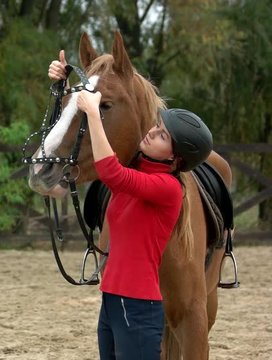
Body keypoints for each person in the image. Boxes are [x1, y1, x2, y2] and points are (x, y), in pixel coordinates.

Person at [48, 52, 212, 359]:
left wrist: (94, 114)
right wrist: (62, 86)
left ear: (174, 159)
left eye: (162, 135)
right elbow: (81, 159)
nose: (152, 130)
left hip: (138, 307)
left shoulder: (166, 188)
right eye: (157, 126)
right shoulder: (136, 172)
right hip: (112, 302)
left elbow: (110, 170)